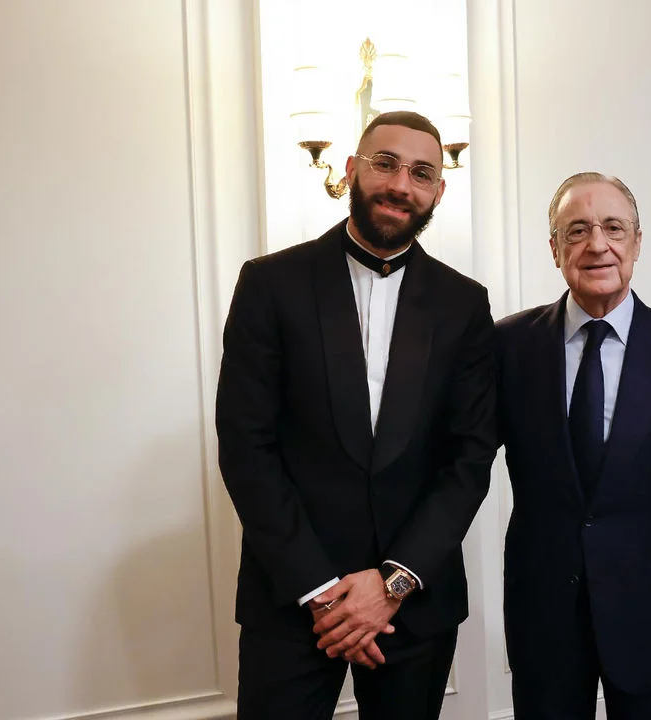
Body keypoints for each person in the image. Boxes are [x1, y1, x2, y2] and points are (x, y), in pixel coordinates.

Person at [215, 110, 497, 719]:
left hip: (413, 603)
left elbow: (470, 458)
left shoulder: (465, 304)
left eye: (422, 172)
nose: (401, 184)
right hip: (290, 596)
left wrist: (393, 583)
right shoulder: (270, 283)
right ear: (351, 170)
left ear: (438, 191)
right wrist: (320, 590)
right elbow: (246, 445)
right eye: (385, 163)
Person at [497, 172, 651, 718]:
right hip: (544, 612)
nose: (597, 244)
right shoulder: (508, 346)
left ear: (637, 242)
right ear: (554, 248)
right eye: (577, 230)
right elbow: (459, 464)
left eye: (613, 228)